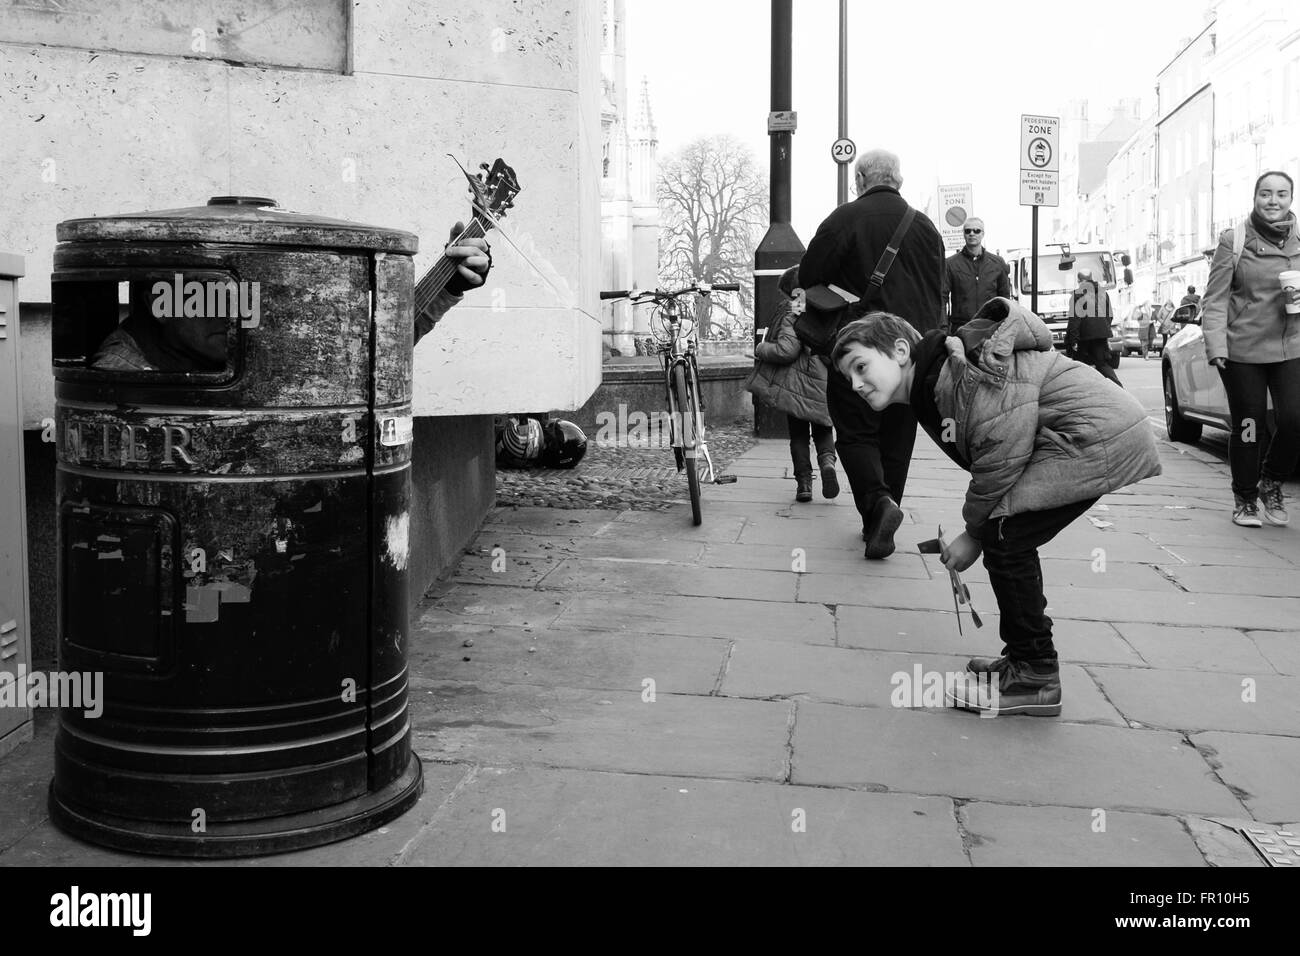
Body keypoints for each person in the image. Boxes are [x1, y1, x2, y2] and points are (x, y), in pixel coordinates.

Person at [830, 301, 1160, 716]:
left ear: (899, 351)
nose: (856, 384)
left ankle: (1034, 675)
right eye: (849, 378)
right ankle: (1024, 660)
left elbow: (1001, 453)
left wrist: (974, 533)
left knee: (1006, 539)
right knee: (1009, 535)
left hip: (1093, 437)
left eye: (861, 367)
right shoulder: (936, 379)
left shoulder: (950, 376)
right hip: (1083, 436)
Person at [798, 148, 944, 558]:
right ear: (898, 180)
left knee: (856, 432)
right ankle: (884, 513)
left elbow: (809, 276)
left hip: (858, 345)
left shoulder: (844, 219)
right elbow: (938, 292)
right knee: (898, 434)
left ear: (859, 180)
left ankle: (877, 506)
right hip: (909, 351)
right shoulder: (927, 229)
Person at [92, 223, 490, 369]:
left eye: (240, 297)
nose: (232, 314)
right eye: (208, 298)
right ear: (157, 302)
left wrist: (448, 283)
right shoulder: (122, 371)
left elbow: (362, 354)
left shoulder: (232, 337)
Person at [1202, 170, 1300, 528]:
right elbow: (1215, 300)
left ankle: (1271, 480)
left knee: (1294, 421)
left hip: (1292, 346)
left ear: (1291, 198)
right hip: (1243, 349)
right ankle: (1245, 497)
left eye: (1282, 194)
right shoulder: (1235, 240)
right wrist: (1217, 346)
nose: (1273, 201)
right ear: (1255, 197)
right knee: (1249, 425)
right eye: (1266, 194)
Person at [747, 266, 838, 502]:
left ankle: (804, 484)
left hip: (796, 383)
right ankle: (828, 464)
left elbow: (787, 350)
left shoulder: (794, 311)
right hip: (822, 380)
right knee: (823, 427)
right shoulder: (824, 308)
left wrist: (761, 348)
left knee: (798, 435)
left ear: (791, 290)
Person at [943, 217, 1010, 334]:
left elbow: (1005, 298)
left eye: (976, 231)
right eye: (968, 231)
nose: (972, 234)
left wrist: (1005, 326)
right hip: (961, 328)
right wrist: (943, 329)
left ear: (983, 234)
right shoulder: (950, 264)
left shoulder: (997, 263)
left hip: (991, 328)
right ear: (963, 234)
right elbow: (942, 298)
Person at [1064, 268, 1121, 386]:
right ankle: (1119, 388)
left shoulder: (1077, 295)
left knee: (1078, 364)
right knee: (1102, 364)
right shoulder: (1103, 293)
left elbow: (1075, 319)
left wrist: (1073, 339)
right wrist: (1104, 330)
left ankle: (1079, 391)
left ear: (1079, 281)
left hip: (1084, 335)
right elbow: (1109, 315)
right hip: (1101, 334)